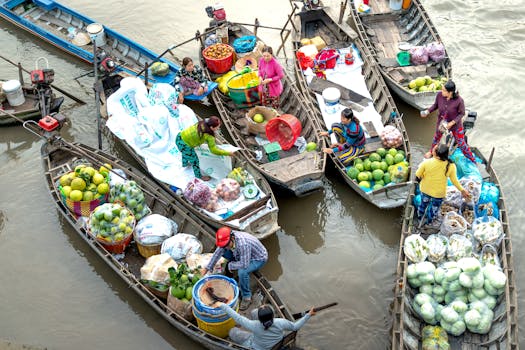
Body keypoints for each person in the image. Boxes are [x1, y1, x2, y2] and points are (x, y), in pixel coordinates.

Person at [201, 227, 268, 311]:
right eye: (224, 245)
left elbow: (244, 264)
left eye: (227, 245)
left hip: (258, 258)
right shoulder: (228, 240)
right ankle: (232, 270)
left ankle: (247, 297)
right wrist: (207, 268)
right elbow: (217, 253)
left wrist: (230, 265)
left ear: (232, 238)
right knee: (224, 253)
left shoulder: (243, 244)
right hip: (244, 255)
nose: (225, 246)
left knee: (242, 272)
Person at [216, 302, 315, 350]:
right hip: (276, 345)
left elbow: (238, 318)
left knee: (232, 332)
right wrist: (308, 315)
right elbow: (295, 327)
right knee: (253, 312)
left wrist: (222, 305)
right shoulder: (280, 322)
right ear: (272, 316)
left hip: (257, 347)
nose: (262, 306)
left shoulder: (254, 325)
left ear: (260, 318)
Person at [420, 80, 476, 163]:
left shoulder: (459, 101)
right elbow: (435, 105)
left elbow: (462, 113)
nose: (441, 91)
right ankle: (431, 151)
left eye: (443, 90)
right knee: (436, 138)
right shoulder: (439, 95)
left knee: (461, 143)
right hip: (442, 122)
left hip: (455, 125)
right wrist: (427, 111)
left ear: (450, 92)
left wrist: (452, 123)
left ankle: (472, 159)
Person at [416, 144, 471, 226]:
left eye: (434, 149)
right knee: (434, 209)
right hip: (439, 194)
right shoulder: (451, 165)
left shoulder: (426, 162)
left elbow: (418, 174)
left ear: (436, 154)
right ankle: (429, 222)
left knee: (423, 206)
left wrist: (424, 176)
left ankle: (420, 219)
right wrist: (462, 190)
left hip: (425, 190)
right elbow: (454, 181)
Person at [176, 116, 235, 181]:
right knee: (195, 161)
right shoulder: (209, 136)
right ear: (211, 127)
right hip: (184, 145)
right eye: (217, 127)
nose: (218, 128)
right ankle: (199, 177)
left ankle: (185, 164)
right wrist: (227, 153)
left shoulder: (202, 122)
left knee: (185, 153)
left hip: (179, 137)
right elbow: (214, 150)